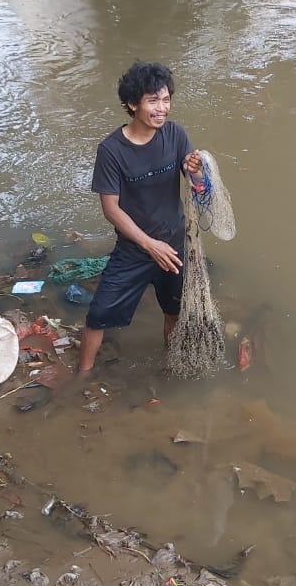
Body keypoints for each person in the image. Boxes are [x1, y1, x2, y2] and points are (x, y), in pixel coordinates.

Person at [78, 61, 204, 375]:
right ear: (133, 104)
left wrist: (196, 171)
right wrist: (149, 245)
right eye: (153, 101)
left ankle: (170, 365)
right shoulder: (111, 150)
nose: (162, 109)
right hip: (135, 248)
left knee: (174, 311)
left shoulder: (175, 135)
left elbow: (196, 187)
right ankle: (81, 376)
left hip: (173, 244)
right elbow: (111, 209)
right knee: (98, 315)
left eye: (165, 100)